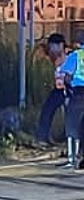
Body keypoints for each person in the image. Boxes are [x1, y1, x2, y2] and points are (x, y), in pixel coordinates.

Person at [36, 33, 69, 146]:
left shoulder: (70, 57)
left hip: (70, 89)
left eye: (53, 46)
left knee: (71, 114)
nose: (51, 49)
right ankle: (42, 137)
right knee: (47, 110)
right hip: (59, 89)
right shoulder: (53, 58)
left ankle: (69, 139)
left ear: (60, 45)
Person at [58, 30, 84, 169]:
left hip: (79, 94)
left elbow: (67, 76)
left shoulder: (75, 56)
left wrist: (69, 91)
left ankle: (73, 159)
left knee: (73, 125)